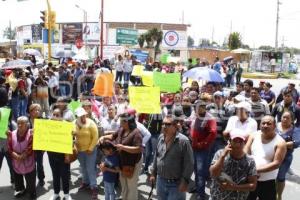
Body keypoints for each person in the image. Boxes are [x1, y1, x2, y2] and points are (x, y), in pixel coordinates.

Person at [99, 113, 143, 200]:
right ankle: (124, 198)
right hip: (122, 162)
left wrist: (123, 147)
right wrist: (104, 137)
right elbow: (112, 136)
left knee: (131, 185)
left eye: (121, 121)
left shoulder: (136, 133)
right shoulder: (121, 129)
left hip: (133, 163)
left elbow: (138, 149)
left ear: (126, 122)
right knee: (123, 183)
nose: (119, 123)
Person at [150, 114, 194, 200]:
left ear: (175, 126)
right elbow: (156, 156)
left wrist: (185, 181)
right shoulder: (160, 137)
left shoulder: (183, 141)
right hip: (160, 181)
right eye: (163, 124)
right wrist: (153, 173)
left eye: (168, 124)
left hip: (176, 184)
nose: (164, 126)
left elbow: (190, 163)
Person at [245, 116, 287, 200]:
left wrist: (256, 170)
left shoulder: (280, 143)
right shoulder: (253, 136)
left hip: (267, 182)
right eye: (263, 123)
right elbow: (245, 152)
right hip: (250, 179)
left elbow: (276, 164)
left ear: (274, 126)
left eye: (269, 123)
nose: (265, 125)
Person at [210, 129, 257, 200]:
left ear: (245, 142)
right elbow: (213, 174)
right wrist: (223, 156)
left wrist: (233, 187)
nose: (238, 144)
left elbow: (253, 186)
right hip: (217, 197)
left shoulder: (250, 161)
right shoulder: (220, 154)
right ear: (229, 142)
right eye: (235, 140)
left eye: (240, 141)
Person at [190, 100, 217, 200]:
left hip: (202, 149)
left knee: (200, 171)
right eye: (196, 107)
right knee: (196, 170)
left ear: (204, 107)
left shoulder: (210, 118)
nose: (198, 108)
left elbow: (213, 133)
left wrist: (202, 144)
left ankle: (201, 194)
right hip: (193, 147)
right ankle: (197, 188)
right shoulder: (195, 116)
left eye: (200, 107)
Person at [7, 116, 36, 199]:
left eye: (22, 123)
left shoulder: (31, 133)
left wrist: (23, 155)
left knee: (30, 179)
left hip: (28, 160)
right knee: (18, 178)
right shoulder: (12, 133)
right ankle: (21, 190)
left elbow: (31, 146)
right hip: (16, 161)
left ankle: (32, 193)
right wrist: (14, 154)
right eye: (18, 123)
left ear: (27, 124)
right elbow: (9, 146)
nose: (19, 125)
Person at [74, 107, 99, 200]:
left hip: (90, 150)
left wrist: (91, 148)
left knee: (90, 168)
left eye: (84, 115)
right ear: (77, 116)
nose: (83, 117)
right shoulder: (75, 123)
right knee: (83, 167)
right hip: (80, 150)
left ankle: (94, 187)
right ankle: (85, 182)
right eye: (81, 116)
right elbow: (71, 133)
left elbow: (96, 136)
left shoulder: (91, 123)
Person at [48, 109, 72, 200]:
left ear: (61, 116)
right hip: (51, 154)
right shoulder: (47, 125)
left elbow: (69, 141)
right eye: (53, 114)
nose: (55, 117)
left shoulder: (66, 125)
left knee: (64, 175)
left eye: (57, 115)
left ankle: (66, 194)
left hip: (63, 155)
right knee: (55, 174)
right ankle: (56, 193)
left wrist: (67, 155)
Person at [276, 111, 300, 200]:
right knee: (269, 177)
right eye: (283, 117)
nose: (285, 119)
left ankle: (279, 196)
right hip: (270, 156)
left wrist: (278, 145)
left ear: (292, 120)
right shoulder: (275, 126)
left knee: (280, 177)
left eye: (287, 118)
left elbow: (296, 143)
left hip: (285, 158)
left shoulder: (295, 130)